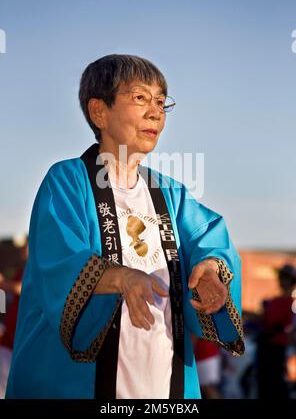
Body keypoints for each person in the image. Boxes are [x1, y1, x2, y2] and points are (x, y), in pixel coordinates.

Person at [6, 54, 244, 399]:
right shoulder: (68, 181)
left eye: (161, 102)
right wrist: (121, 277)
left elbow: (209, 239)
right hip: (80, 385)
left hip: (165, 382)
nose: (156, 112)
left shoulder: (171, 194)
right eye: (140, 98)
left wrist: (210, 271)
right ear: (99, 112)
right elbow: (58, 261)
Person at [257, 263, 296, 398]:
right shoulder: (276, 300)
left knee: (277, 384)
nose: (282, 281)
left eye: (285, 278)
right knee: (265, 383)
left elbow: (271, 320)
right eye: (281, 277)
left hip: (278, 348)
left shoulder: (292, 303)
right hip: (267, 346)